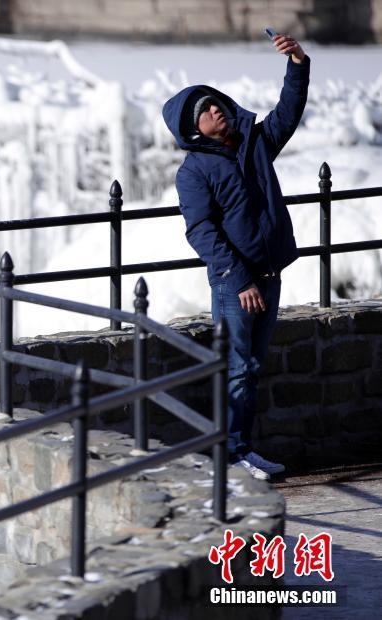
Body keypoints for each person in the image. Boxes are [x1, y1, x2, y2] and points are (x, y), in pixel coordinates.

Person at [161, 33, 310, 480]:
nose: (216, 110)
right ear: (192, 128)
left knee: (252, 366)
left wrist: (298, 63)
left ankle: (242, 451)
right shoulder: (193, 172)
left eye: (216, 103)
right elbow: (200, 231)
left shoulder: (254, 145)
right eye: (205, 110)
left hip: (268, 273)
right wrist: (239, 278)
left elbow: (288, 113)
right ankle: (234, 455)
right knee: (238, 368)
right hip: (235, 284)